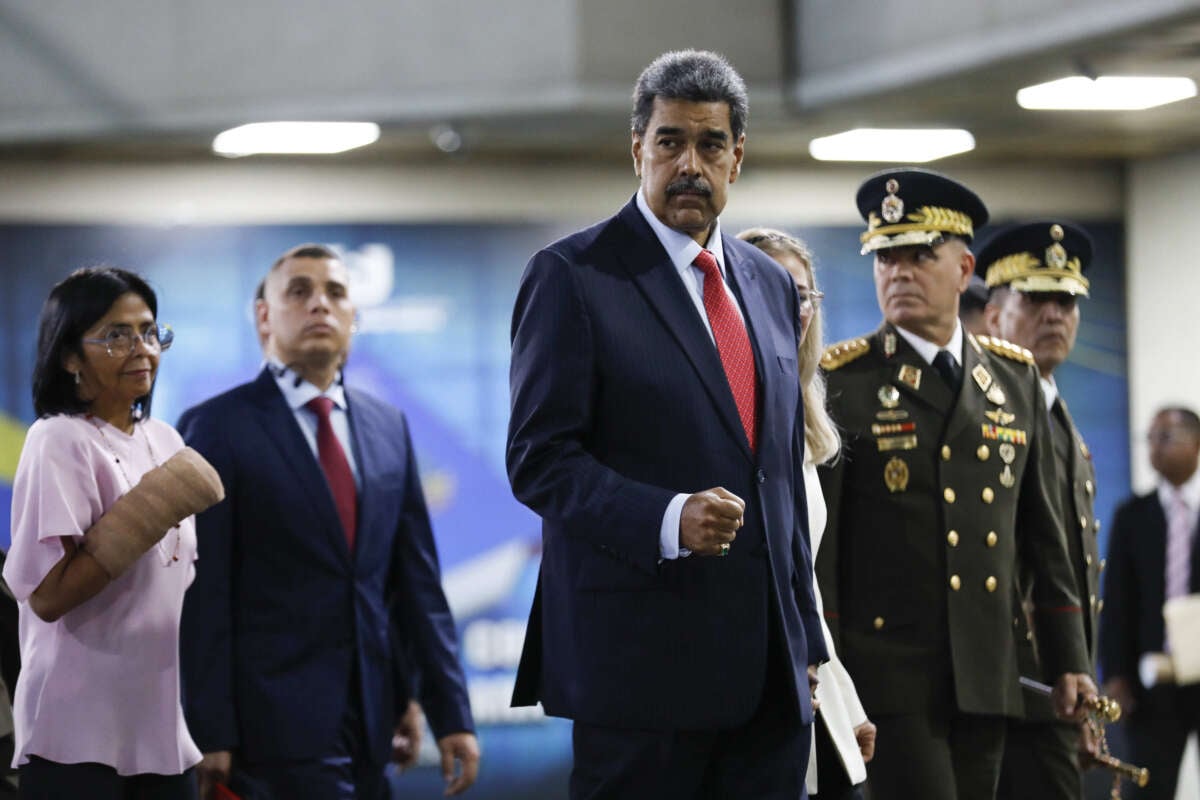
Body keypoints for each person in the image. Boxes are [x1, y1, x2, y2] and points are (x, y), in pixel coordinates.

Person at [506, 50, 827, 800]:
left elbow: (775, 473)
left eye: (710, 144)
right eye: (670, 141)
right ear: (637, 149)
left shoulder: (770, 284)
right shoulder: (572, 276)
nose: (690, 163)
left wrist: (805, 638)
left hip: (770, 682)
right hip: (642, 675)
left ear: (737, 158)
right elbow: (539, 459)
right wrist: (667, 516)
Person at [817, 168, 1096, 800]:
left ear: (965, 266)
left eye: (920, 256)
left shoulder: (1012, 379)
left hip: (985, 669)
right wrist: (826, 666)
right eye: (886, 257)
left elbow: (1042, 532)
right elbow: (826, 551)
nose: (899, 272)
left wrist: (1070, 658)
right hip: (887, 673)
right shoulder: (844, 382)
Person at [178, 243, 479, 800]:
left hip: (371, 724)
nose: (320, 303)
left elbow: (416, 587)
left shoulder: (388, 426)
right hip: (263, 732)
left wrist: (444, 711)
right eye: (299, 291)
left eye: (335, 293)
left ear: (354, 318)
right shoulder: (216, 426)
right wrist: (209, 727)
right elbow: (203, 593)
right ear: (264, 316)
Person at [4, 267, 224, 799]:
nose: (141, 348)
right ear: (69, 356)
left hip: (159, 730)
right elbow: (49, 597)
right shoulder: (57, 438)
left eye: (149, 332)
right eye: (116, 335)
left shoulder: (166, 440)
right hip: (74, 735)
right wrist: (146, 512)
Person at [739, 227, 876, 800]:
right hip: (752, 694)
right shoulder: (730, 408)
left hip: (815, 686)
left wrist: (846, 704)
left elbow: (806, 589)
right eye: (771, 289)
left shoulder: (800, 407)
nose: (791, 308)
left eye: (801, 294)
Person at [980, 221, 1102, 800]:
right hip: (1012, 689)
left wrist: (1078, 679)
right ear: (994, 313)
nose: (1055, 314)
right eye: (1035, 298)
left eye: (1067, 301)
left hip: (1053, 689)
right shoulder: (989, 417)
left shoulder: (1058, 418)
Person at [1099, 406, 1200, 800]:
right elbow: (1118, 603)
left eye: (1167, 437)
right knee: (1149, 788)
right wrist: (1117, 676)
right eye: (1151, 438)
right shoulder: (1133, 516)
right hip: (1153, 682)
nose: (1155, 447)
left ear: (1195, 444)